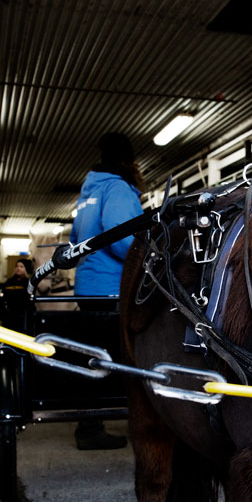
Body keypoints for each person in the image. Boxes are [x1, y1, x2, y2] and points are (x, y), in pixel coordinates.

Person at [69, 132, 143, 450]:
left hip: (88, 285)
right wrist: (149, 258)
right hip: (114, 287)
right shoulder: (117, 187)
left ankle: (89, 423)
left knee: (94, 354)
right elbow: (123, 237)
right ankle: (93, 427)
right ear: (128, 160)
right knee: (122, 354)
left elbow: (75, 241)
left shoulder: (89, 191)